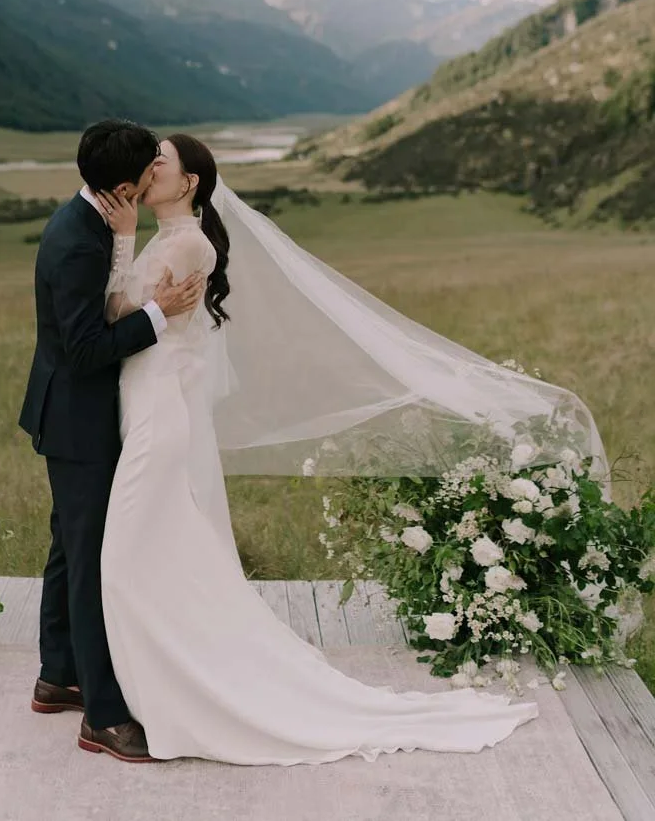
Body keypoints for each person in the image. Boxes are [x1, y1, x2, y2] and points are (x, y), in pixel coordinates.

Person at [93, 133, 541, 765]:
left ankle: (175, 695)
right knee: (152, 554)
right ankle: (164, 685)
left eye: (160, 162)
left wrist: (120, 244)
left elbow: (119, 317)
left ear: (189, 182)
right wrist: (125, 242)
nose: (149, 168)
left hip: (160, 412)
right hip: (144, 406)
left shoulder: (189, 242)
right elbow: (123, 311)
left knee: (128, 558)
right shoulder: (165, 241)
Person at [18, 118, 206, 763]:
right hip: (77, 418)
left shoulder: (97, 220)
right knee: (94, 559)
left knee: (70, 550)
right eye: (151, 167)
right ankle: (101, 714)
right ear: (125, 186)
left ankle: (58, 676)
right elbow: (87, 348)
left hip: (75, 414)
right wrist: (160, 314)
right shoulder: (79, 242)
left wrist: (126, 244)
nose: (159, 171)